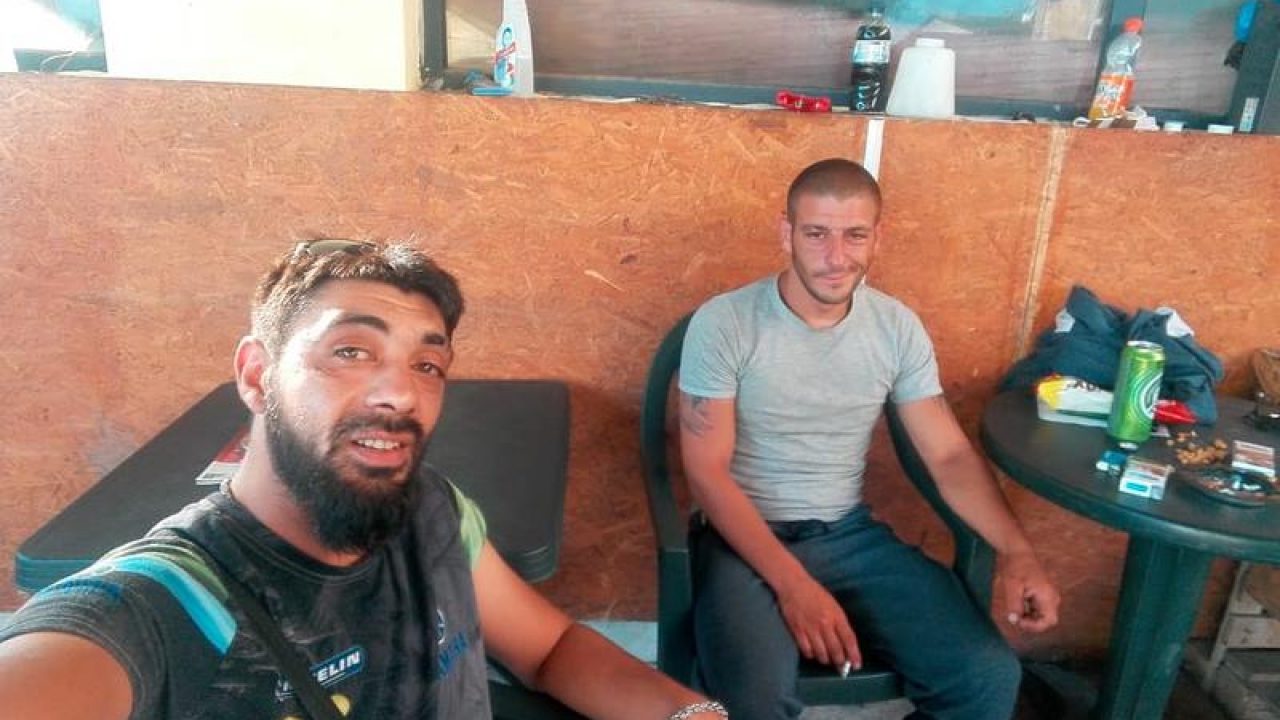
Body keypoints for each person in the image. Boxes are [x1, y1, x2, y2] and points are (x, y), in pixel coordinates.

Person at [0, 240, 726, 720]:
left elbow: (550, 648)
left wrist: (689, 713)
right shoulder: (161, 609)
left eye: (427, 365)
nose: (400, 393)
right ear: (256, 375)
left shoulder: (432, 511)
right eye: (351, 352)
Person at [678, 158, 1061, 720]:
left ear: (878, 237)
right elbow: (707, 473)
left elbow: (949, 456)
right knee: (756, 700)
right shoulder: (726, 323)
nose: (836, 257)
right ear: (786, 233)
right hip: (742, 540)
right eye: (816, 234)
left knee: (985, 677)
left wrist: (1018, 552)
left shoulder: (895, 327)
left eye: (854, 235)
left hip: (848, 535)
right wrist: (795, 585)